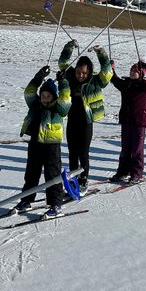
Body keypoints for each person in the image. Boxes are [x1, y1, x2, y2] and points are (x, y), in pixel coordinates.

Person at [16, 66, 72, 213]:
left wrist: (63, 82)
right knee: (31, 174)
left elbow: (66, 100)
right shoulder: (35, 105)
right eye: (43, 95)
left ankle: (55, 203)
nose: (45, 98)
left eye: (49, 96)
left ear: (54, 97)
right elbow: (28, 92)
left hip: (52, 146)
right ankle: (26, 200)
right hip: (35, 143)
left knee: (52, 175)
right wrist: (39, 77)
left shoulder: (58, 109)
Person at [58, 39, 112, 192]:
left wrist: (101, 52)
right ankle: (73, 178)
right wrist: (69, 46)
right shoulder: (70, 76)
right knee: (72, 152)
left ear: (89, 72)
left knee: (83, 152)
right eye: (78, 72)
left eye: (84, 73)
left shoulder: (95, 81)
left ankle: (84, 179)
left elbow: (107, 72)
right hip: (72, 120)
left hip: (86, 121)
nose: (81, 75)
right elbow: (63, 61)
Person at [109, 57, 146, 183]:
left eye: (135, 71)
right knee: (125, 148)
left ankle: (136, 174)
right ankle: (122, 172)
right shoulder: (125, 84)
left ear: (141, 73)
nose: (132, 72)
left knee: (137, 149)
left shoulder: (145, 86)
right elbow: (114, 79)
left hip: (139, 122)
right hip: (126, 120)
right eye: (131, 70)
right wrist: (110, 69)